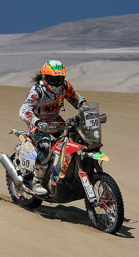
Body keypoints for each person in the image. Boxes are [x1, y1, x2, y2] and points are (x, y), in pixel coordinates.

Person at [19, 60, 88, 195]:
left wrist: (87, 110)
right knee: (45, 146)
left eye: (59, 80)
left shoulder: (65, 86)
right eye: (53, 80)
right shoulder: (37, 91)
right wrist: (36, 122)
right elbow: (24, 110)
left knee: (76, 138)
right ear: (45, 78)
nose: (57, 84)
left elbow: (77, 99)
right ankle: (37, 182)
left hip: (55, 120)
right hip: (38, 122)